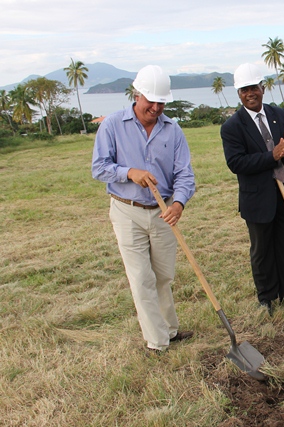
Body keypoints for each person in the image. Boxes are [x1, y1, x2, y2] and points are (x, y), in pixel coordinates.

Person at [92, 65, 196, 352]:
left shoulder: (173, 130)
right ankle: (157, 342)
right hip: (127, 210)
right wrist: (129, 173)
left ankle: (170, 330)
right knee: (141, 278)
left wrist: (178, 203)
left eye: (161, 102)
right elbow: (99, 168)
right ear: (136, 95)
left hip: (163, 213)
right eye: (150, 100)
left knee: (163, 276)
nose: (155, 107)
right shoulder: (112, 125)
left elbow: (185, 175)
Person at [220, 63, 284, 315]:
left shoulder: (278, 114)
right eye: (244, 90)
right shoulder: (232, 126)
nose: (250, 93)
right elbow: (236, 163)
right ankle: (266, 297)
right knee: (262, 249)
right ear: (238, 94)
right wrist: (272, 156)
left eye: (254, 87)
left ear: (263, 88)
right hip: (257, 198)